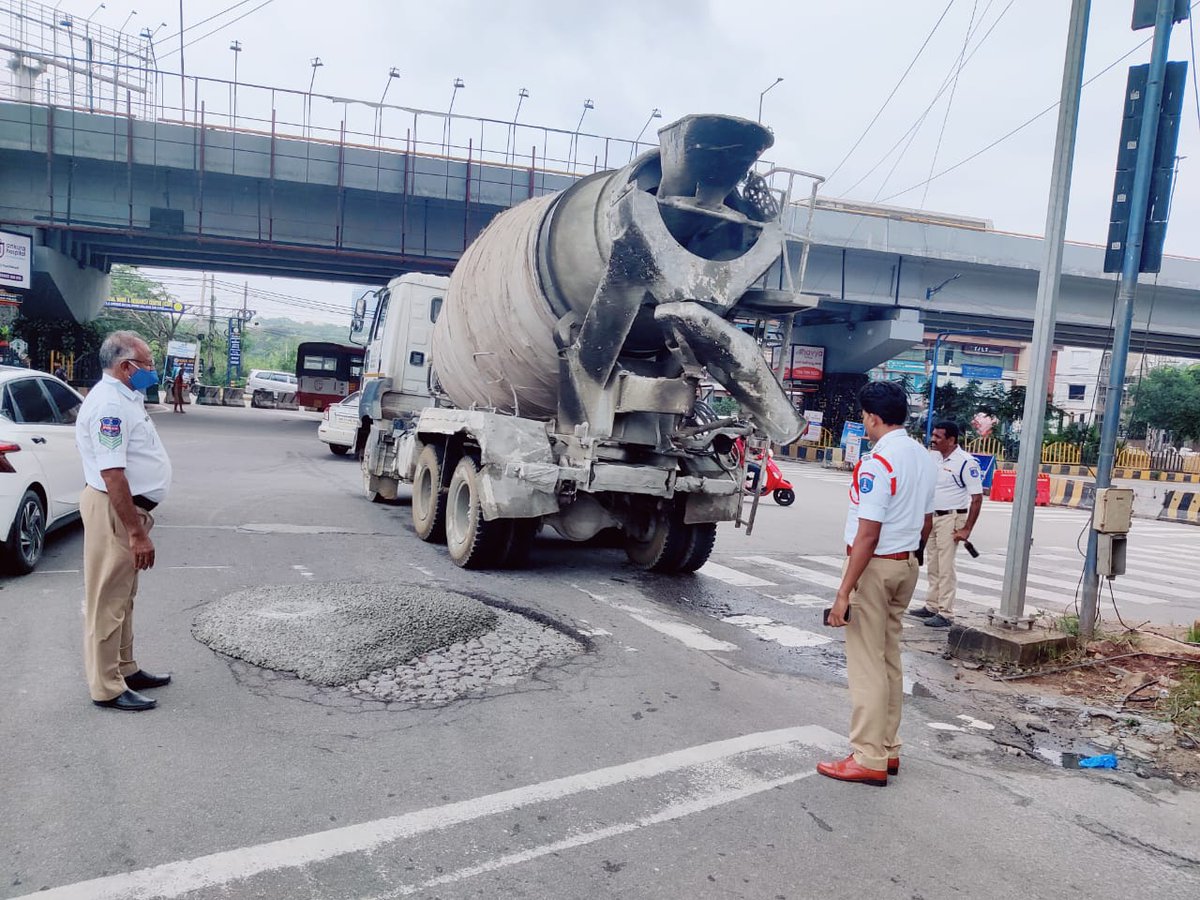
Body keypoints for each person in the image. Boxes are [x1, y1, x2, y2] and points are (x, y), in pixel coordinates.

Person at [818, 381, 937, 787]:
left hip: (875, 567)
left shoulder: (877, 462)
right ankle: (888, 749)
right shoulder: (923, 457)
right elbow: (926, 521)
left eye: (865, 418)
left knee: (866, 663)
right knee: (888, 658)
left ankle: (867, 756)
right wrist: (909, 554)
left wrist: (842, 593)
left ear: (871, 417)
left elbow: (867, 533)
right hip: (906, 566)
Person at [75, 331, 174, 712]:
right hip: (115, 512)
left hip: (129, 510)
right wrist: (135, 532)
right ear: (125, 366)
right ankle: (107, 687)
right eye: (147, 363)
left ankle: (125, 668)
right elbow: (113, 474)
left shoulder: (127, 397)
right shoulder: (109, 406)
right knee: (108, 601)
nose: (152, 369)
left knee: (124, 598)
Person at [909, 421, 984, 629]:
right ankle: (932, 605)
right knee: (933, 562)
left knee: (946, 566)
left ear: (951, 440)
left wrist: (967, 528)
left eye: (938, 436)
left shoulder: (966, 462)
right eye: (933, 435)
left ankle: (945, 612)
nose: (933, 439)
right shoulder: (932, 456)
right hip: (931, 517)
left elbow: (977, 498)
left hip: (951, 518)